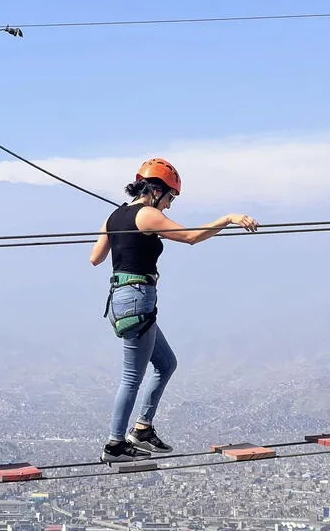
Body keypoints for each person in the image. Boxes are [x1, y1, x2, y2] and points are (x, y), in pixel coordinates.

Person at [90, 157, 258, 464]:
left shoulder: (114, 216)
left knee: (166, 363)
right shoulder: (148, 215)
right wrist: (228, 218)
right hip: (137, 299)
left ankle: (141, 429)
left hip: (122, 301)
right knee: (131, 377)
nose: (169, 205)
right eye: (170, 197)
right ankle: (115, 443)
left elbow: (95, 258)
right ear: (155, 190)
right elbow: (191, 236)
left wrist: (121, 229)